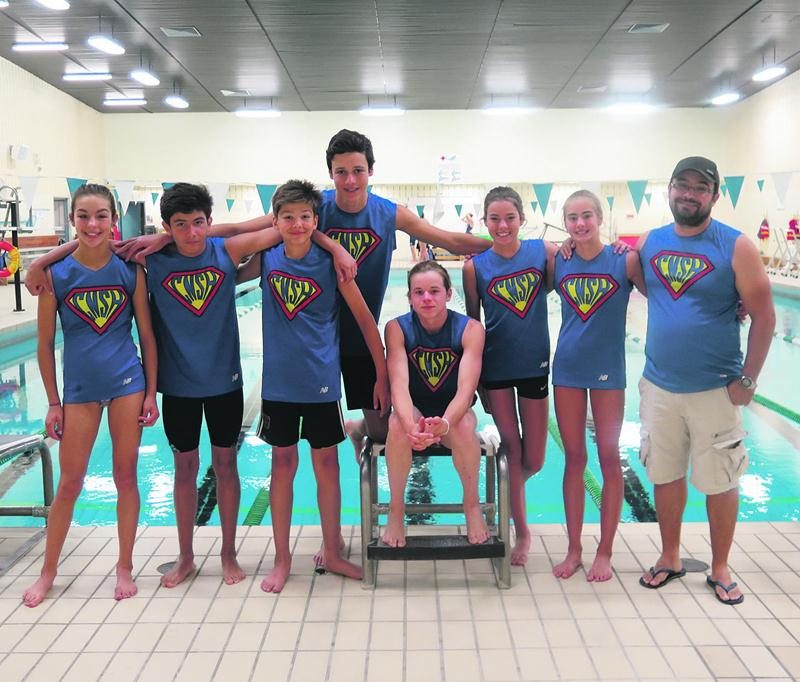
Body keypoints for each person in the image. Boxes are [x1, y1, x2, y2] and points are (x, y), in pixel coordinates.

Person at [25, 183, 355, 589]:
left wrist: (336, 248)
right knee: (184, 469)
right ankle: (185, 556)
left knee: (226, 466)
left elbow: (283, 228)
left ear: (209, 222)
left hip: (226, 383)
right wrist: (39, 263)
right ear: (166, 226)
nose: (192, 232)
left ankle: (229, 552)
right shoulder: (152, 259)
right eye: (180, 225)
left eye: (199, 223)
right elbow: (97, 244)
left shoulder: (227, 252)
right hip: (177, 386)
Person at [236, 179, 389, 592]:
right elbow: (224, 273)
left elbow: (364, 321)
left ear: (315, 220)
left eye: (306, 217)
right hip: (279, 387)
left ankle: (334, 552)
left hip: (321, 383)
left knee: (326, 466)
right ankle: (283, 560)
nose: (298, 224)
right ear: (276, 220)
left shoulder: (331, 263)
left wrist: (383, 375)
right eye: (288, 217)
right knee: (282, 467)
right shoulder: (267, 259)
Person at [637, 157, 774, 605]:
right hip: (658, 384)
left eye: (700, 188)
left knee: (721, 480)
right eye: (682, 185)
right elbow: (644, 286)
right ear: (669, 190)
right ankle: (671, 555)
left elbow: (765, 316)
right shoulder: (651, 243)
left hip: (715, 387)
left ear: (715, 196)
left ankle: (719, 566)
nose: (689, 194)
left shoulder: (736, 246)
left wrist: (747, 381)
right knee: (664, 473)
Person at [22, 184, 159, 607]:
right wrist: (52, 400)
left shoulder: (130, 271)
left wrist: (151, 392)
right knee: (70, 483)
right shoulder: (55, 276)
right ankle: (48, 571)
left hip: (126, 385)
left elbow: (147, 337)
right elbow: (44, 345)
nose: (93, 224)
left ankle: (124, 566)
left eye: (101, 216)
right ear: (72, 221)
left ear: (114, 221)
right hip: (79, 389)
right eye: (84, 216)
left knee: (125, 478)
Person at [549, 190, 645, 582]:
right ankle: (574, 549)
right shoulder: (558, 261)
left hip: (608, 370)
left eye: (587, 216)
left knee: (608, 454)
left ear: (600, 218)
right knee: (574, 458)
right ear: (566, 224)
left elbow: (666, 295)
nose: (580, 224)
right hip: (568, 368)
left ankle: (605, 550)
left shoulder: (624, 261)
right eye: (572, 218)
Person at [462, 187, 557, 565]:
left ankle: (506, 493)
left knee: (535, 459)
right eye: (495, 219)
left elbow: (583, 266)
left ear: (522, 219)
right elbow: (472, 325)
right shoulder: (475, 266)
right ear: (485, 222)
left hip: (534, 365)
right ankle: (523, 532)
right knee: (513, 451)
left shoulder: (542, 253)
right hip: (497, 369)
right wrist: (477, 383)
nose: (502, 226)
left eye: (510, 218)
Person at [382, 261, 489, 547]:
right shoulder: (397, 328)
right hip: (414, 409)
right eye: (418, 292)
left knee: (465, 426)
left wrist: (445, 423)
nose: (426, 298)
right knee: (396, 426)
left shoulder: (470, 329)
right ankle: (396, 510)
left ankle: (472, 506)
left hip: (453, 412)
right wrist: (411, 426)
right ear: (409, 298)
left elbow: (466, 391)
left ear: (448, 294)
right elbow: (399, 386)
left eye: (433, 291)